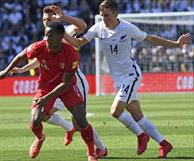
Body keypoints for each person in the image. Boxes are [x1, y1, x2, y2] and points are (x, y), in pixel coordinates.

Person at [63, 0, 191, 158]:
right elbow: (78, 43)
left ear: (116, 14)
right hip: (119, 80)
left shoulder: (127, 27)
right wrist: (61, 33)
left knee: (115, 111)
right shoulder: (98, 28)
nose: (104, 18)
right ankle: (164, 144)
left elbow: (150, 39)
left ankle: (141, 135)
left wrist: (176, 44)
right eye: (102, 15)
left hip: (131, 75)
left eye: (107, 15)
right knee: (138, 116)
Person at [9, 5, 107, 158]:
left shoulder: (64, 31)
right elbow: (39, 61)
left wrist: (64, 18)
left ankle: (100, 148)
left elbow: (82, 26)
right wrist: (23, 69)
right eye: (44, 20)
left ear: (55, 18)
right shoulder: (46, 38)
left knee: (79, 120)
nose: (46, 22)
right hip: (55, 84)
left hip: (74, 81)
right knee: (44, 116)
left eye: (49, 19)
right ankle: (68, 128)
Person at [0, 22, 98, 161]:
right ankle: (40, 138)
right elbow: (21, 56)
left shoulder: (71, 54)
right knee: (35, 119)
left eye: (50, 35)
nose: (46, 38)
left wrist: (46, 99)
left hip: (67, 88)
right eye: (46, 34)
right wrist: (6, 71)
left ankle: (91, 153)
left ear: (60, 36)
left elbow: (65, 84)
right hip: (45, 86)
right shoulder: (40, 46)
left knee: (80, 119)